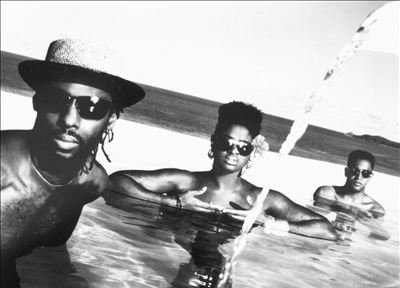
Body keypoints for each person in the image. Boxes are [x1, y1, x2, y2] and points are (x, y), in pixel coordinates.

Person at [105, 101, 338, 241]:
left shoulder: (261, 199)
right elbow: (115, 181)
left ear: (252, 151)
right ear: (214, 142)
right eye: (226, 143)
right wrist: (174, 203)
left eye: (243, 147)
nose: (233, 152)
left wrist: (268, 221)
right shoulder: (186, 182)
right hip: (166, 253)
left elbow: (327, 230)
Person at [1, 38, 145, 264]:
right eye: (55, 99)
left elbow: (51, 254)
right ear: (37, 102)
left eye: (92, 106)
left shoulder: (92, 183)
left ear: (110, 120)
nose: (69, 120)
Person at [313, 149, 385, 219]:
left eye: (365, 173)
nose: (359, 177)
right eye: (355, 171)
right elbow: (317, 220)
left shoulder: (375, 210)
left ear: (370, 177)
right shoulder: (327, 194)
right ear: (346, 172)